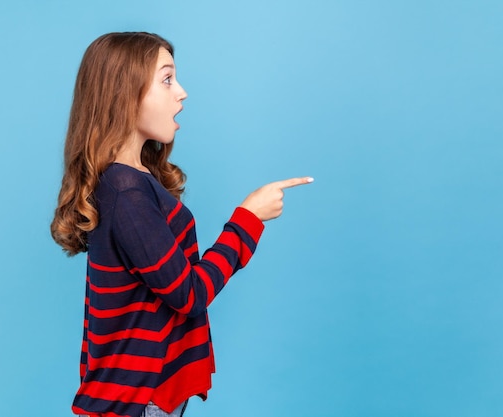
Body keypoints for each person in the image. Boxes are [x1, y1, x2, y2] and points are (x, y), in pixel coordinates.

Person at [51, 32, 313, 417]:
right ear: (126, 93)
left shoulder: (132, 182)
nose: (182, 93)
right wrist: (248, 219)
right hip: (139, 403)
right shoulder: (127, 193)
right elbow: (188, 294)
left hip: (147, 396)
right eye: (167, 79)